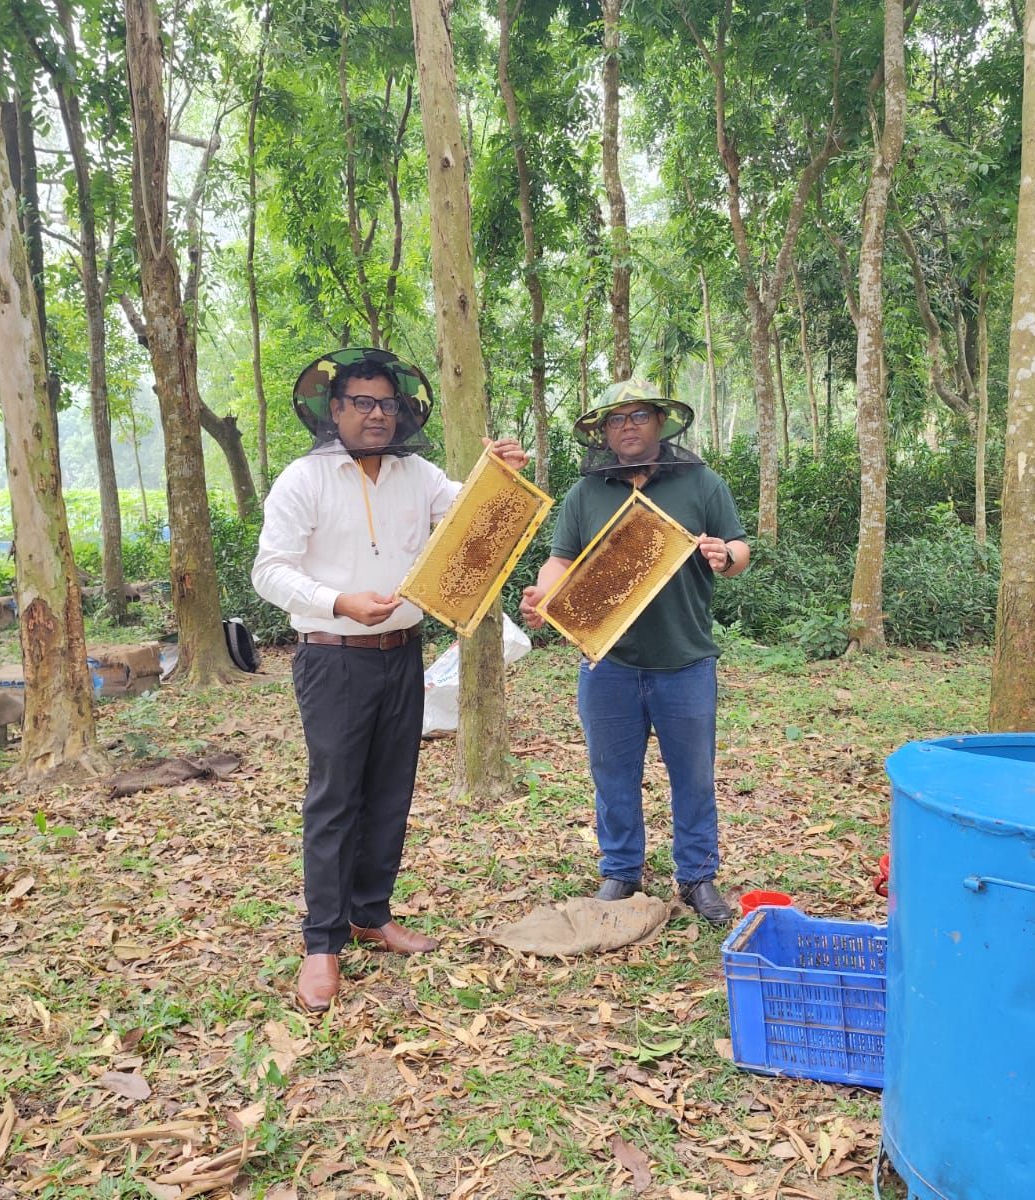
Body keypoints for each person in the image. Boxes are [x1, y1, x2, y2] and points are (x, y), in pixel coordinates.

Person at [252, 347, 526, 1011]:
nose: (376, 415)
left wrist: (499, 472)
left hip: (402, 652)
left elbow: (471, 512)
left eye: (387, 404)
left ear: (402, 411)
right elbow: (269, 571)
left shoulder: (417, 473)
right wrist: (339, 602)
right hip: (333, 655)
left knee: (390, 791)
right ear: (335, 410)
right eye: (362, 403)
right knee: (335, 796)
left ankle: (371, 913)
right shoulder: (302, 480)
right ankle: (322, 943)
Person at [520, 381, 750, 924]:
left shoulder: (701, 483)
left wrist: (724, 555)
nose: (627, 425)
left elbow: (740, 548)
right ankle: (620, 869)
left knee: (692, 774)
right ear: (603, 431)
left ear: (660, 422)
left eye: (638, 415)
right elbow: (559, 561)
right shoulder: (585, 495)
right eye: (616, 418)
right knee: (611, 771)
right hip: (608, 664)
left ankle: (697, 877)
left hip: (686, 659)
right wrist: (543, 596)